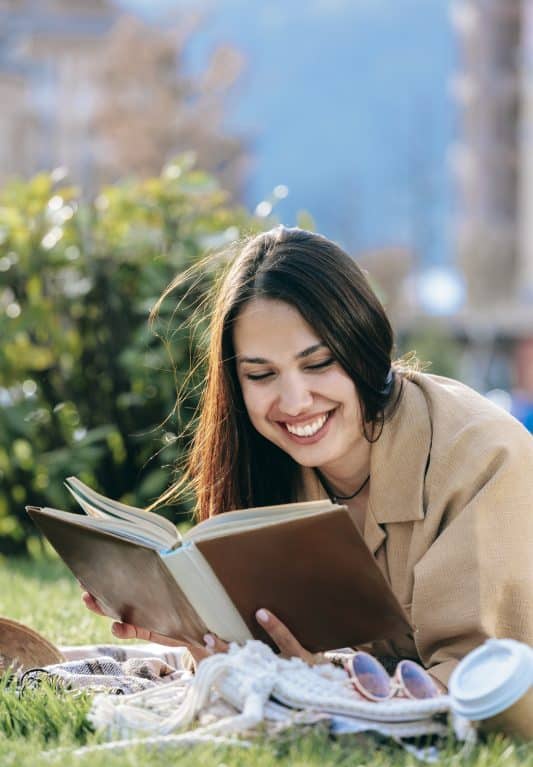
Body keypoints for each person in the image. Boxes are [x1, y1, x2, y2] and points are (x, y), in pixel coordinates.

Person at [82, 226, 533, 698]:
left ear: (364, 346)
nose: (295, 401)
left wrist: (324, 683)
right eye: (261, 374)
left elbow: (480, 687)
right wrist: (200, 640)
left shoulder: (481, 459)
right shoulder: (268, 464)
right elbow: (274, 654)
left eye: (317, 364)